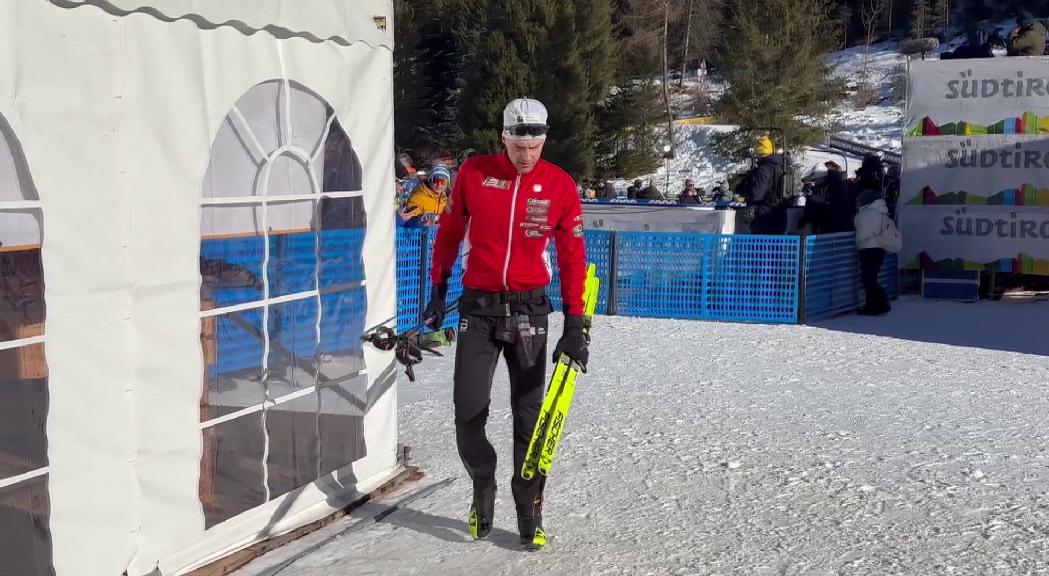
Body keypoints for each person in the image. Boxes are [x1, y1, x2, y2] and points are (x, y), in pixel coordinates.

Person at [423, 97, 589, 550]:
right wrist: (438, 290)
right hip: (479, 308)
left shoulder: (559, 185)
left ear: (544, 141)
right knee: (468, 411)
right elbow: (450, 234)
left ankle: (528, 507)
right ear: (504, 139)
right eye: (518, 144)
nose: (526, 154)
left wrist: (577, 325)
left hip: (531, 310)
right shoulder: (475, 174)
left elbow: (573, 258)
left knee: (530, 419)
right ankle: (483, 482)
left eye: (535, 145)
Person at [854, 189, 901, 316]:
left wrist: (861, 243)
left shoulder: (867, 213)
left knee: (868, 279)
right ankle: (877, 303)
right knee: (871, 278)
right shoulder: (880, 211)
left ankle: (877, 304)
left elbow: (863, 230)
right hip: (879, 248)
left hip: (869, 248)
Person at [734, 136, 788, 234]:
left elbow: (756, 195)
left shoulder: (764, 170)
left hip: (764, 215)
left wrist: (742, 189)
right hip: (779, 212)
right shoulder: (780, 166)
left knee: (759, 246)